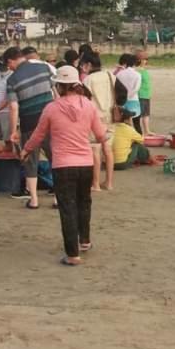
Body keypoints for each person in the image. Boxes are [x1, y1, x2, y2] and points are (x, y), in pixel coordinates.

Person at [19, 66, 111, 266]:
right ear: (77, 84)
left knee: (67, 207)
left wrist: (26, 150)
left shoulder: (51, 108)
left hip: (63, 165)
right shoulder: (88, 105)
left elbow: (38, 134)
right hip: (86, 163)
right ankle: (84, 241)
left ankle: (72, 254)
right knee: (84, 202)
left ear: (59, 86)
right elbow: (101, 134)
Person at [8, 45, 56, 208]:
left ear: (11, 61)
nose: (9, 68)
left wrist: (13, 131)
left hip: (29, 123)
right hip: (49, 119)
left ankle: (34, 200)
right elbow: (54, 92)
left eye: (9, 65)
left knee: (30, 160)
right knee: (54, 158)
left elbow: (14, 107)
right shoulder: (44, 68)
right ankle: (58, 198)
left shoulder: (12, 79)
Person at [79, 52, 116, 191]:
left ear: (88, 65)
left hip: (94, 117)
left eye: (83, 65)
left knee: (95, 149)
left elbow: (84, 100)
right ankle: (109, 182)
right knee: (108, 149)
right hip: (111, 116)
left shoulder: (88, 80)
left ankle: (95, 184)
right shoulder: (110, 76)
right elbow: (121, 93)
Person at [115, 54, 142, 126]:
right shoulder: (137, 74)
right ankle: (138, 137)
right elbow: (136, 88)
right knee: (137, 124)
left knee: (123, 123)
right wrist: (129, 95)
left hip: (121, 101)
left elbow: (117, 87)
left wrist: (124, 96)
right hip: (133, 100)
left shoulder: (119, 74)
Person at [136, 50, 153, 135]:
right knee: (139, 115)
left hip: (146, 95)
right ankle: (139, 131)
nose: (145, 61)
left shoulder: (144, 70)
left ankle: (147, 130)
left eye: (146, 59)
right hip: (140, 95)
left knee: (146, 114)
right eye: (144, 59)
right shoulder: (137, 71)